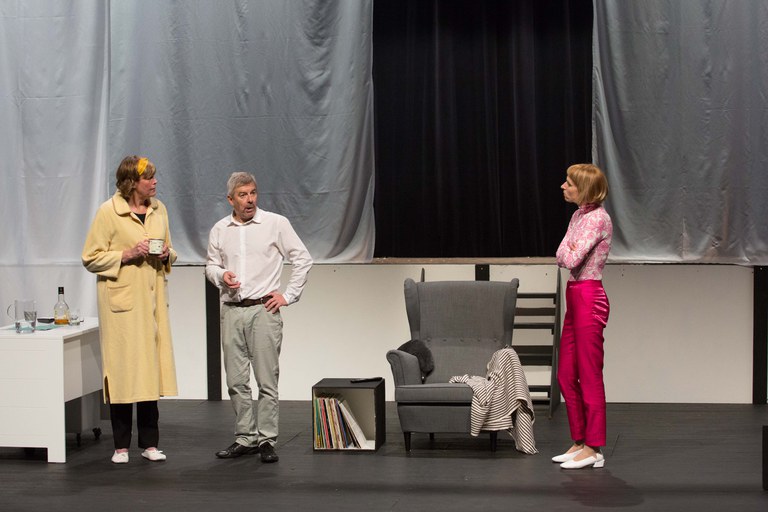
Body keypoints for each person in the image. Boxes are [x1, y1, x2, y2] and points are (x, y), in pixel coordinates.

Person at [206, 171, 312, 463]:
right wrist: (221, 276)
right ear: (231, 199)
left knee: (266, 380)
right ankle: (245, 437)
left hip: (264, 310)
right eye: (243, 195)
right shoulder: (220, 229)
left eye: (253, 193)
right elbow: (210, 266)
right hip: (231, 310)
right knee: (236, 381)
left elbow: (303, 258)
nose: (250, 199)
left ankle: (266, 439)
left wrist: (288, 295)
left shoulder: (275, 223)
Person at [82, 155, 178, 464]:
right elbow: (90, 257)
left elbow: (171, 249)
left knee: (149, 371)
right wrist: (127, 254)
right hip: (122, 305)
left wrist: (167, 254)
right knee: (123, 372)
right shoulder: (108, 212)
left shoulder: (159, 210)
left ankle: (150, 444)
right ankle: (120, 446)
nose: (155, 182)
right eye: (149, 177)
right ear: (132, 182)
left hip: (151, 301)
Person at [552, 163, 612, 470]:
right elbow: (560, 253)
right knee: (565, 374)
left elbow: (571, 257)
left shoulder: (598, 218)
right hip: (574, 295)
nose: (563, 186)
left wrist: (568, 250)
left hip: (589, 296)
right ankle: (579, 440)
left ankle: (594, 447)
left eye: (569, 183)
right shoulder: (578, 216)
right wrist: (567, 250)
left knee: (589, 374)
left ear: (584, 188)